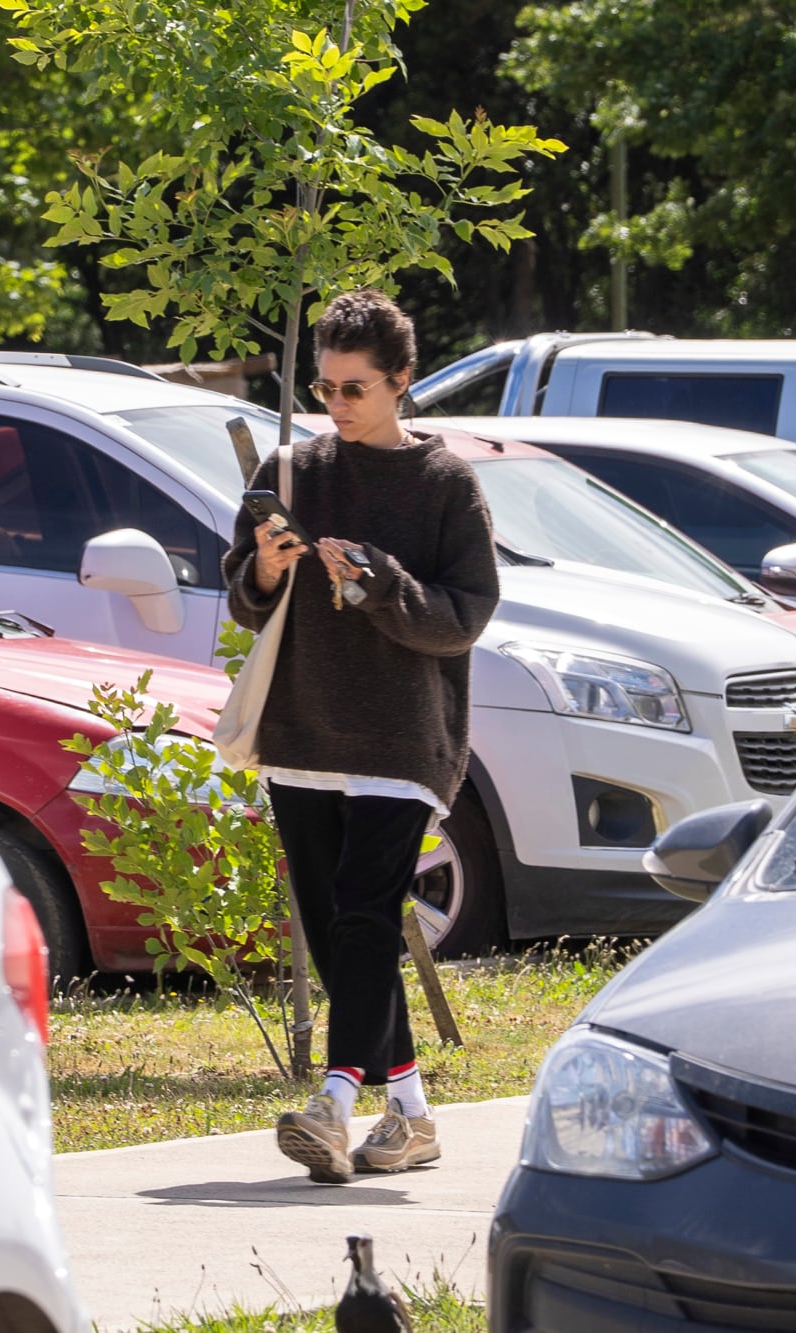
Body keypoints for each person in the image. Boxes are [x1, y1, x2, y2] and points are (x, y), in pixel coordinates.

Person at [222, 289, 501, 1183]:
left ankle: (334, 1102)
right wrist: (263, 568)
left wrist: (385, 585)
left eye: (356, 389)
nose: (336, 405)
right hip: (303, 723)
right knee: (341, 929)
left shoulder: (445, 483)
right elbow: (243, 595)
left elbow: (466, 615)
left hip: (402, 734)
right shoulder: (295, 469)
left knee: (364, 911)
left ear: (402, 384)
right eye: (326, 387)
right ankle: (411, 1114)